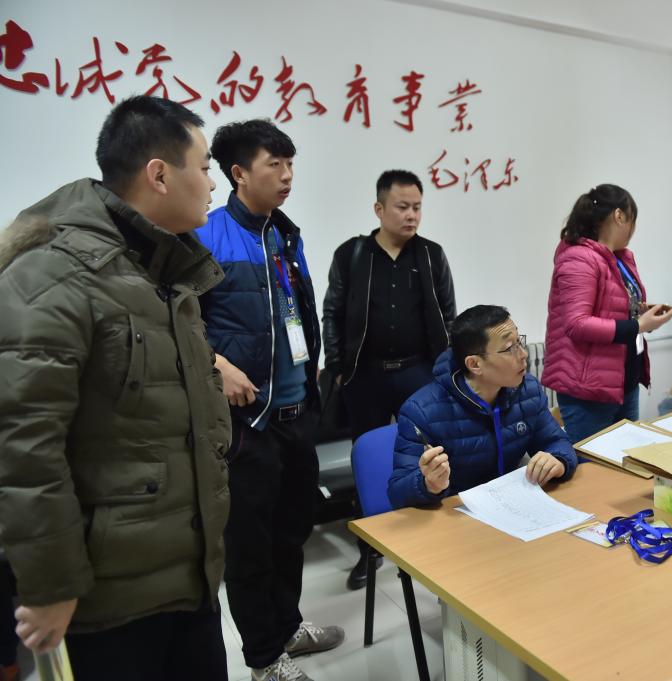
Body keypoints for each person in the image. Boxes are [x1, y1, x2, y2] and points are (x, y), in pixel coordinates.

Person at [0, 95, 231, 681]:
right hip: (108, 601)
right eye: (205, 166)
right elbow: (23, 446)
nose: (213, 184)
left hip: (187, 574)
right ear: (159, 174)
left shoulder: (164, 271)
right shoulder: (54, 274)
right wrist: (52, 584)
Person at [196, 120, 341, 681]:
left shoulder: (285, 234)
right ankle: (263, 658)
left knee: (292, 532)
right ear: (238, 173)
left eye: (290, 164)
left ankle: (287, 627)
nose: (287, 176)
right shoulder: (206, 237)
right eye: (273, 165)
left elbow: (292, 314)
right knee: (250, 545)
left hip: (297, 411)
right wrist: (217, 363)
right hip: (245, 422)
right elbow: (176, 322)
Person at [321, 170, 456, 589]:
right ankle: (370, 548)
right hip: (366, 375)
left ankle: (433, 541)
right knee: (368, 460)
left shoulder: (431, 254)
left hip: (419, 372)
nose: (411, 215)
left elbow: (449, 315)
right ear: (379, 209)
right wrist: (338, 367)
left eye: (417, 207)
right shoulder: (352, 254)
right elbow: (332, 313)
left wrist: (447, 369)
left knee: (428, 455)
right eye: (402, 207)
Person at [388, 305, 577, 508]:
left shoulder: (527, 390)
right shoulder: (422, 411)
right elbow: (398, 492)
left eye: (519, 342)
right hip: (456, 514)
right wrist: (427, 484)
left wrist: (558, 459)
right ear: (475, 364)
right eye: (510, 348)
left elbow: (556, 441)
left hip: (515, 505)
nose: (523, 354)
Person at [541, 184, 672, 445]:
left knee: (628, 461)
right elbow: (577, 324)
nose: (633, 230)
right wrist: (637, 325)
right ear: (619, 216)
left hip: (624, 381)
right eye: (633, 220)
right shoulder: (579, 258)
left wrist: (642, 314)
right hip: (590, 390)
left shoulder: (618, 258)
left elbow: (612, 309)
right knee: (593, 466)